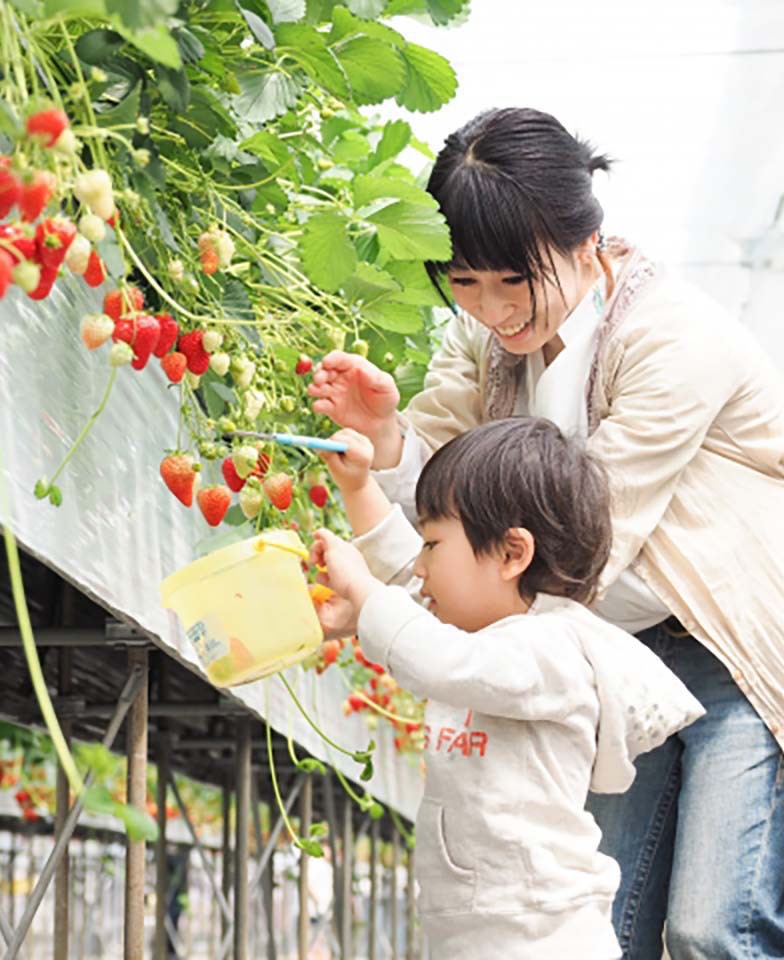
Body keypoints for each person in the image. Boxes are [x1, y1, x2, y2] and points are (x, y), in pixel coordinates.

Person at [308, 106, 784, 959]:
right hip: (598, 655)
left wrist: (395, 611)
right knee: (605, 924)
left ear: (583, 239)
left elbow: (584, 535)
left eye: (513, 281)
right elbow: (452, 501)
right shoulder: (480, 343)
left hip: (728, 652)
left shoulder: (675, 337)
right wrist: (386, 438)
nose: (491, 309)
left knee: (716, 927)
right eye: (464, 282)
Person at [309, 417, 704, 960]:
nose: (421, 566)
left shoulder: (553, 649)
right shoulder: (487, 636)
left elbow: (439, 660)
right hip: (481, 933)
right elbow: (407, 581)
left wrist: (362, 587)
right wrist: (358, 488)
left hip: (547, 939)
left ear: (512, 554)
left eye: (432, 544)